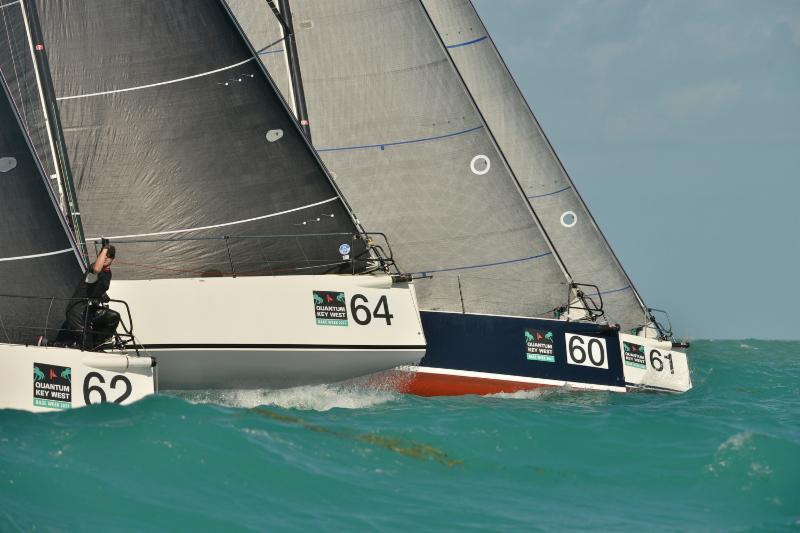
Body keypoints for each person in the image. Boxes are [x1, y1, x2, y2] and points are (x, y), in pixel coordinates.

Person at [55, 238, 121, 349]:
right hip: (77, 311)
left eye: (108, 256)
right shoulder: (93, 268)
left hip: (88, 311)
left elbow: (96, 287)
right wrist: (105, 248)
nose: (105, 257)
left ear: (112, 258)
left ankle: (98, 345)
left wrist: (102, 295)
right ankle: (50, 343)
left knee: (113, 317)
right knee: (86, 345)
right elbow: (96, 269)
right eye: (103, 255)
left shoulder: (108, 273)